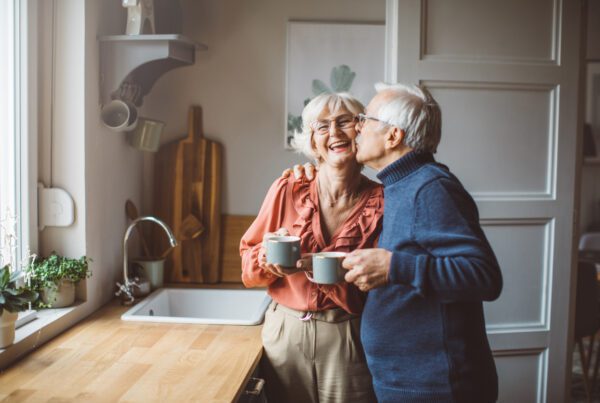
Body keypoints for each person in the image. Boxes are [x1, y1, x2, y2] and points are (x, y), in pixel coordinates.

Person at [335, 83, 502, 403]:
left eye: (364, 120)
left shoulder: (430, 188)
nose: (357, 128)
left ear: (393, 136)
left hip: (435, 387)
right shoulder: (400, 185)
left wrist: (394, 266)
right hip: (410, 381)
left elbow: (484, 277)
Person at [240, 92, 383, 403]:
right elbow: (247, 265)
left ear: (361, 131)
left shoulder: (383, 202)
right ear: (313, 142)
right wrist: (267, 260)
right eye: (322, 126)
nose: (334, 132)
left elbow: (387, 280)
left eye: (345, 122)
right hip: (286, 332)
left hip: (349, 333)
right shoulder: (287, 188)